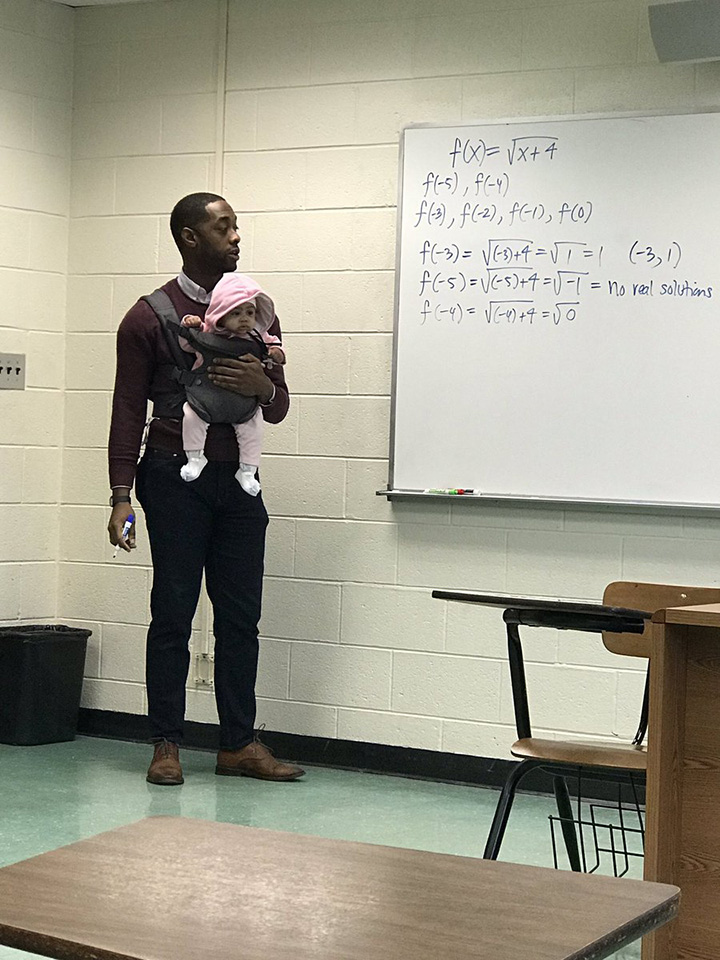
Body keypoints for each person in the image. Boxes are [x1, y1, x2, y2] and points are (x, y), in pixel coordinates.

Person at [107, 192, 305, 786]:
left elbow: (279, 409)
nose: (237, 236)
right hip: (172, 477)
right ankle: (166, 742)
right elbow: (124, 410)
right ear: (190, 239)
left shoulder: (257, 313)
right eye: (224, 227)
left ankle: (237, 743)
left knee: (241, 617)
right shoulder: (148, 317)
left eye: (237, 226)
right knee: (173, 612)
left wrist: (262, 386)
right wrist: (120, 495)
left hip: (238, 485)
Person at [178, 272, 286, 496]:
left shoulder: (258, 336)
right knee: (190, 415)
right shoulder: (206, 333)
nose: (245, 319)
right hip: (207, 397)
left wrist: (276, 353)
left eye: (250, 312)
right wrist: (190, 325)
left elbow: (274, 345)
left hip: (242, 405)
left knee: (253, 425)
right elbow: (187, 344)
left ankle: (247, 470)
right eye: (236, 313)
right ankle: (195, 457)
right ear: (221, 314)